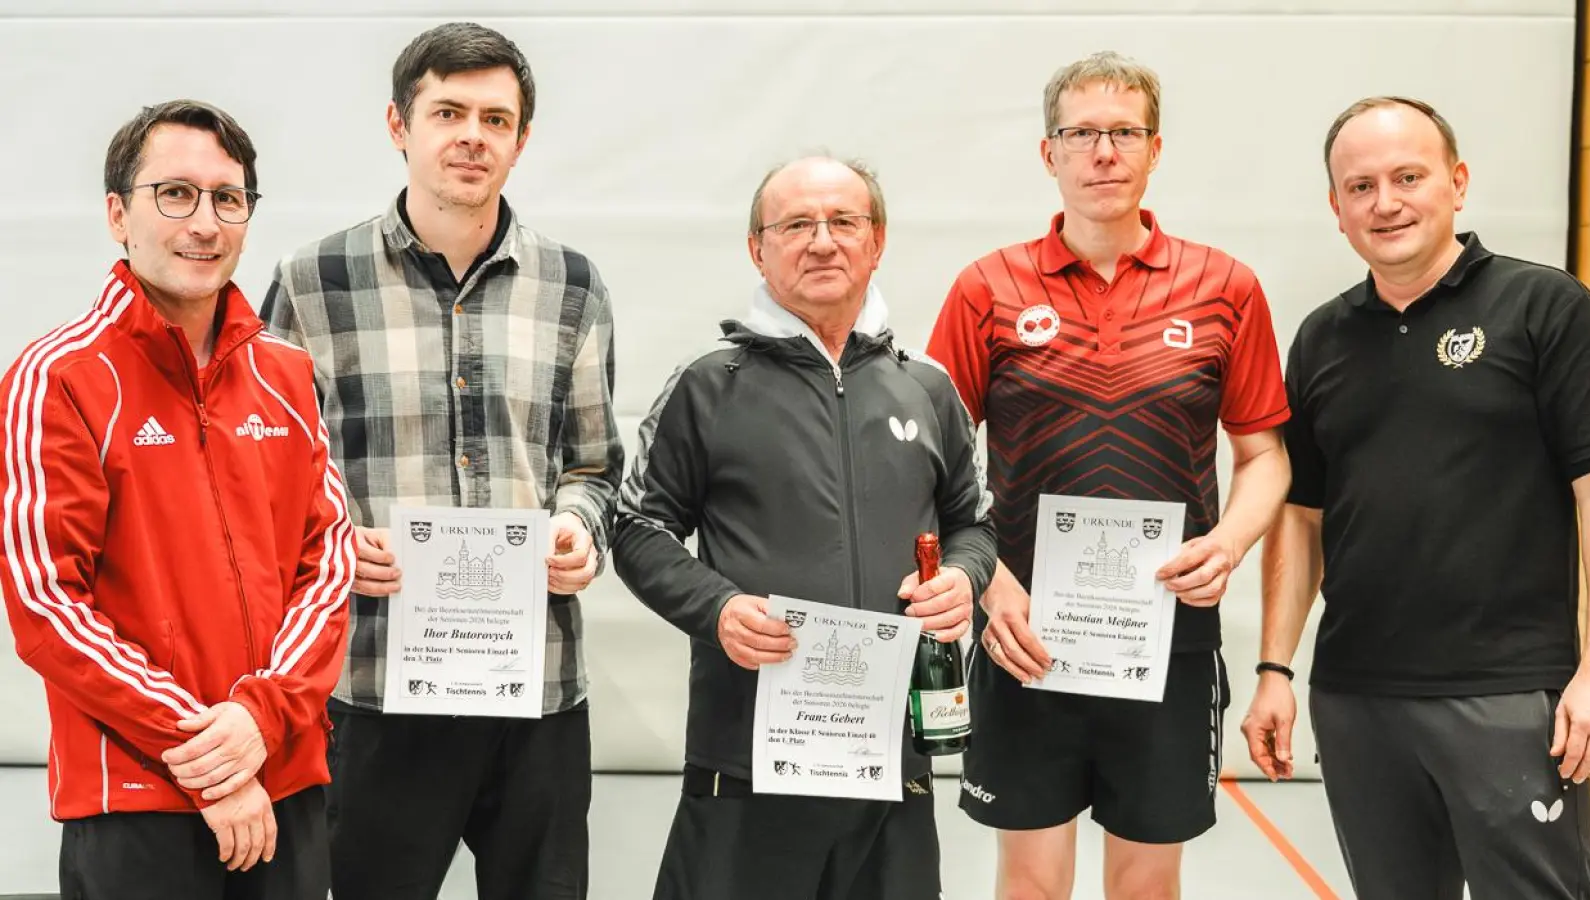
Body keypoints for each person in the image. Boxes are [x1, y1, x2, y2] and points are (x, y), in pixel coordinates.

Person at [258, 21, 623, 900]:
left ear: (521, 141)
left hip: (536, 693)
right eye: (448, 112)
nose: (472, 136)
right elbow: (271, 471)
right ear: (399, 125)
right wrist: (341, 540)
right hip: (374, 686)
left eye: (496, 120)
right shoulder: (314, 281)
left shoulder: (572, 284)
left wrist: (578, 529)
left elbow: (596, 464)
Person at [924, 51, 1292, 899]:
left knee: (1145, 886)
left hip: (1167, 635)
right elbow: (933, 465)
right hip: (1024, 637)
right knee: (1032, 884)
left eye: (1124, 133)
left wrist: (1230, 544)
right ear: (1047, 153)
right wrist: (990, 585)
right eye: (1081, 133)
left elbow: (1266, 454)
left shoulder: (1225, 287)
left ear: (1155, 150)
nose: (1103, 153)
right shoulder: (987, 288)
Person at [1241, 95, 1590, 899]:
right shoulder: (1321, 338)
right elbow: (1301, 521)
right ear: (1336, 210)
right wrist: (1274, 668)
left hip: (1508, 696)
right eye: (1360, 186)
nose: (1386, 202)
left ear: (1458, 182)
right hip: (1357, 698)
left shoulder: (1546, 309)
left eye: (1408, 176)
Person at [611, 154, 996, 900]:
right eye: (795, 224)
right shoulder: (707, 386)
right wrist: (716, 607)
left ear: (876, 241)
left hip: (892, 761)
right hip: (748, 763)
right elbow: (637, 527)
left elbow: (973, 526)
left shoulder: (929, 387)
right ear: (757, 247)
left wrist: (963, 580)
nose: (822, 241)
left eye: (843, 222)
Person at [0, 99, 353, 899]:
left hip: (283, 783)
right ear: (118, 213)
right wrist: (209, 758)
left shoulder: (288, 376)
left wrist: (260, 724)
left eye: (228, 198)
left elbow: (326, 568)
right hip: (137, 799)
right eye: (176, 194)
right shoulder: (57, 378)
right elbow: (48, 606)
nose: (205, 221)